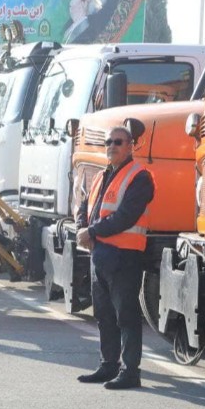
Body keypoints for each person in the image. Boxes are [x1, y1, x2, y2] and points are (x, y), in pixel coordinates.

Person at [75, 125, 154, 390]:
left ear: (130, 146)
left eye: (118, 142)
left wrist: (92, 231)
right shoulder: (101, 176)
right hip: (100, 255)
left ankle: (130, 371)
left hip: (124, 256)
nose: (112, 146)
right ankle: (108, 365)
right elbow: (85, 207)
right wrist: (81, 231)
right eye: (109, 142)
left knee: (126, 316)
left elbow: (127, 216)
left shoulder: (140, 177)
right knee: (104, 315)